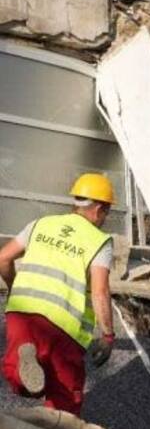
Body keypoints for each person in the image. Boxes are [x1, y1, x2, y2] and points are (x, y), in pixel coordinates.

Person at [0, 173, 118, 415]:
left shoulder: (40, 224)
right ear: (98, 208)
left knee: (17, 376)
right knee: (65, 395)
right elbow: (99, 290)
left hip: (21, 312)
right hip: (64, 325)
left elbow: (3, 258)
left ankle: (26, 377)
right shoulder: (99, 240)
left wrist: (15, 289)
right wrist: (107, 335)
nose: (105, 217)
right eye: (106, 211)